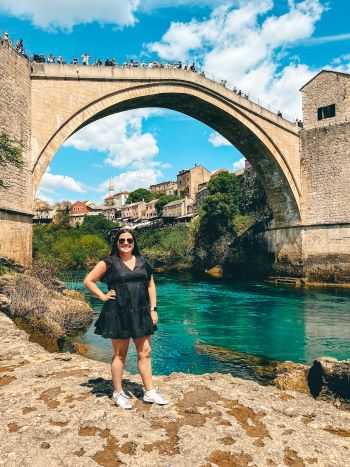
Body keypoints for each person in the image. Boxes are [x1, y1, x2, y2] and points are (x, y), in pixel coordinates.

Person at [83, 228, 169, 409]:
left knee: (144, 352)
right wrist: (103, 296)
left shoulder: (144, 262)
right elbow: (88, 280)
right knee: (120, 354)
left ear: (134, 242)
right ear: (116, 242)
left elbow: (151, 286)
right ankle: (118, 392)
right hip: (118, 311)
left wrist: (153, 309)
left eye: (129, 240)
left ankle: (149, 391)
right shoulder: (109, 262)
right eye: (121, 240)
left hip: (141, 312)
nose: (126, 243)